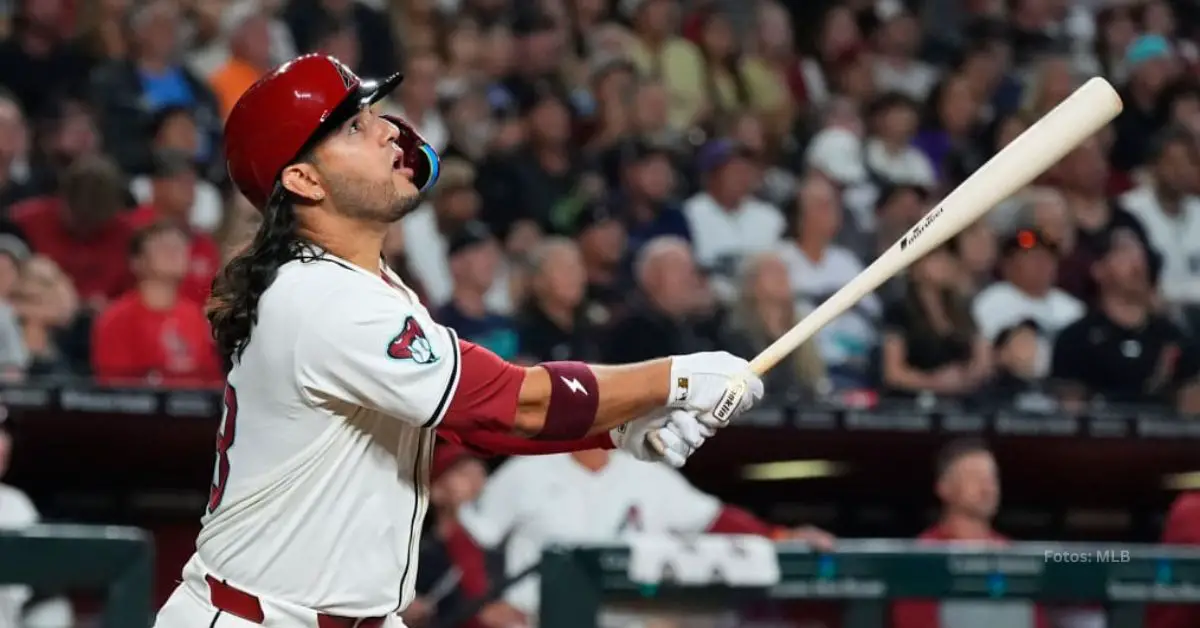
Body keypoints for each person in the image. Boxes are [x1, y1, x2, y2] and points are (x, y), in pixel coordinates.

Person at [152, 54, 764, 628]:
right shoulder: (322, 298)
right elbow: (514, 401)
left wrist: (618, 428)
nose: (391, 132)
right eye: (355, 128)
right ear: (304, 180)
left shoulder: (363, 284)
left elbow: (473, 426)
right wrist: (676, 378)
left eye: (375, 116)